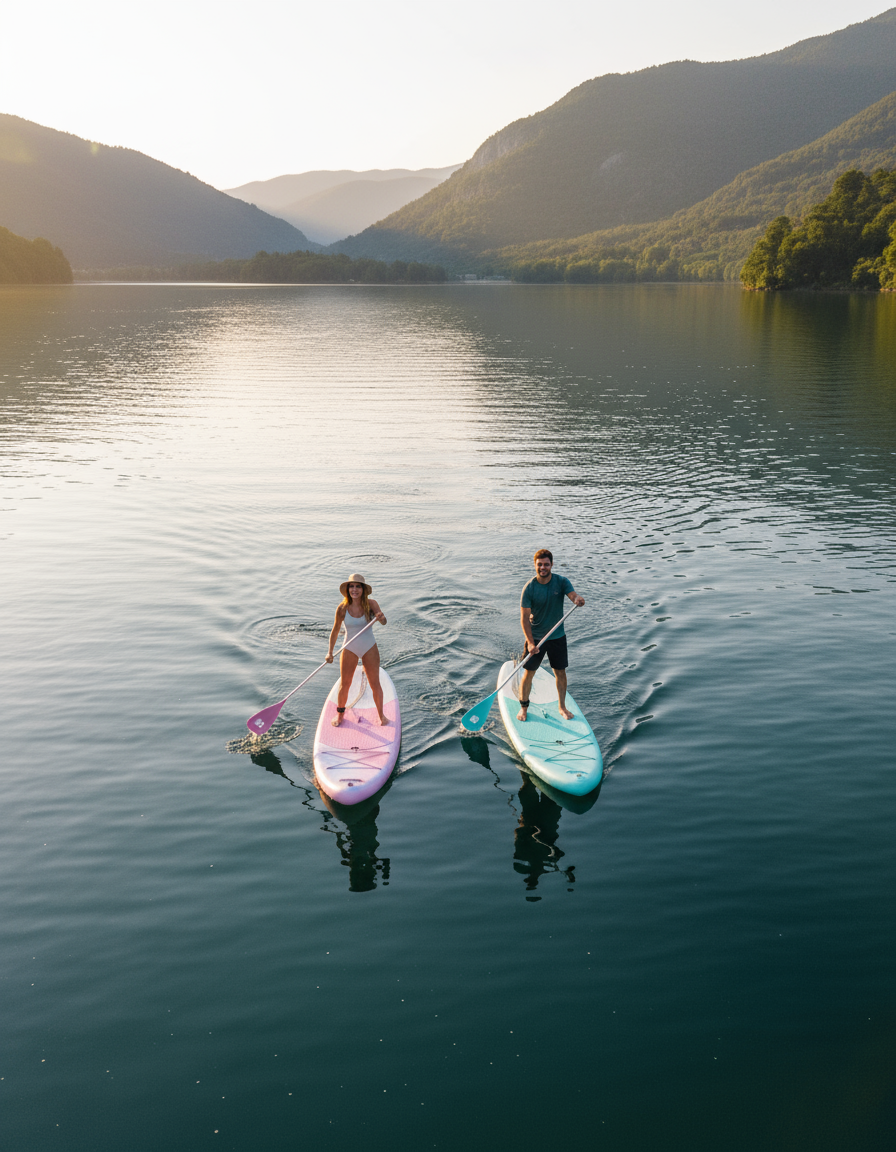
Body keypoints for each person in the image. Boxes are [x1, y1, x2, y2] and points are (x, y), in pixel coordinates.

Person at [517, 548, 585, 722]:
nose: (543, 567)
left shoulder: (561, 582)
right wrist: (531, 643)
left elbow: (572, 595)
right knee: (529, 673)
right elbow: (524, 619)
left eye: (546, 564)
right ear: (535, 565)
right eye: (539, 564)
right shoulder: (529, 588)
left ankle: (561, 707)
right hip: (536, 638)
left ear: (552, 564)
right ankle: (524, 707)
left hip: (557, 637)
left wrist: (577, 599)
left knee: (560, 673)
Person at [326, 574, 388, 727]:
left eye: (358, 586)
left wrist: (381, 617)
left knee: (375, 684)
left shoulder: (371, 604)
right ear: (348, 589)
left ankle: (381, 715)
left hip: (369, 647)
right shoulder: (342, 608)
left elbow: (384, 622)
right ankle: (340, 715)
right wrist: (330, 652)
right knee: (345, 684)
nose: (355, 589)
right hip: (349, 647)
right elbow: (335, 631)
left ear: (363, 589)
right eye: (352, 586)